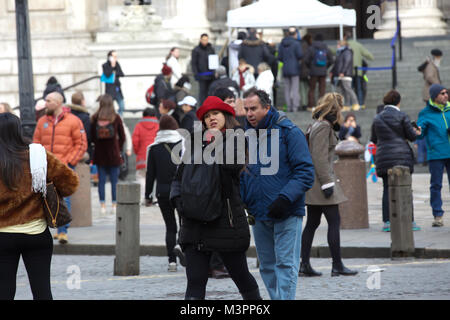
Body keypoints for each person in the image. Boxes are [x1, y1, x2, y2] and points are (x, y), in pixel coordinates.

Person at [170, 96, 261, 300]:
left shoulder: (236, 138)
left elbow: (233, 166)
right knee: (195, 280)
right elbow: (178, 178)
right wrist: (180, 203)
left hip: (225, 222)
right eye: (207, 116)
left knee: (241, 276)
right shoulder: (193, 142)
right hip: (194, 224)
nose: (211, 118)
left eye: (216, 114)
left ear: (226, 116)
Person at [240, 89, 315, 300]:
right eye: (246, 109)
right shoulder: (246, 135)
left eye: (253, 108)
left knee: (285, 264)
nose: (249, 113)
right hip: (258, 212)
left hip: (287, 211)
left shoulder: (289, 132)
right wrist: (244, 199)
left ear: (267, 107)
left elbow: (306, 172)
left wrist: (284, 198)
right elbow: (243, 173)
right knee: (267, 266)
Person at [0, 113, 79, 300]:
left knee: (4, 290)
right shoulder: (37, 155)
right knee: (42, 290)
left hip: (2, 235)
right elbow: (70, 183)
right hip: (36, 233)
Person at [300, 92, 358, 277]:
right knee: (334, 221)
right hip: (321, 182)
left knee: (312, 222)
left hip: (315, 181)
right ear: (337, 108)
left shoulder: (318, 124)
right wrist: (327, 183)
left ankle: (305, 264)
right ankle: (337, 265)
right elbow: (319, 158)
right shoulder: (324, 126)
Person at [33, 92, 87, 244]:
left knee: (64, 199)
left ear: (57, 102)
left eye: (48, 101)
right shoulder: (41, 121)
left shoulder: (74, 121)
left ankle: (63, 231)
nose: (46, 103)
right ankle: (49, 230)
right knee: (43, 199)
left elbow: (81, 143)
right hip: (45, 167)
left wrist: (70, 162)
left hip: (63, 167)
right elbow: (36, 142)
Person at [371, 90, 421, 232]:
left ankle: (387, 221)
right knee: (406, 188)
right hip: (402, 156)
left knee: (387, 188)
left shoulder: (377, 118)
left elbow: (374, 139)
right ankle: (409, 220)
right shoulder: (402, 115)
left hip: (384, 157)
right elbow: (412, 136)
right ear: (398, 101)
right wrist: (417, 132)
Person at [146, 115, 184, 272]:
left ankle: (172, 262)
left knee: (170, 227)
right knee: (184, 223)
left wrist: (147, 195)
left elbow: (150, 175)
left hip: (162, 193)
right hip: (181, 191)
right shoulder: (182, 144)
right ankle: (181, 246)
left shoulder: (154, 148)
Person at [417, 84, 450, 227]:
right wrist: (417, 130)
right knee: (436, 185)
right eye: (442, 93)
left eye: (446, 93)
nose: (445, 95)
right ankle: (438, 215)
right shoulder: (425, 113)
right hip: (436, 153)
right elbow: (420, 133)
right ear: (434, 96)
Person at [90, 94, 126, 215]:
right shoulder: (115, 117)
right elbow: (123, 136)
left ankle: (102, 205)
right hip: (113, 153)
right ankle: (115, 205)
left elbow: (92, 137)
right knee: (114, 181)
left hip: (100, 154)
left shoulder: (95, 118)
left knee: (101, 181)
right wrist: (118, 147)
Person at [132, 107, 159, 201]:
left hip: (142, 156)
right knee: (156, 176)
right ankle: (155, 198)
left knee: (141, 176)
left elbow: (135, 141)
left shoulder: (139, 125)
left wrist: (137, 152)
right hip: (155, 156)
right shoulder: (158, 125)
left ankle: (144, 197)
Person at [344, 31, 374, 109]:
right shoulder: (358, 45)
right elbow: (369, 55)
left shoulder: (345, 45)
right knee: (359, 88)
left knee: (350, 89)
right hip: (358, 71)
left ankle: (351, 104)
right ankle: (360, 104)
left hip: (348, 71)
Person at [304, 34, 333, 110]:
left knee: (311, 89)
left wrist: (310, 67)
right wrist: (326, 67)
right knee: (322, 89)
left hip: (313, 72)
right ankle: (321, 106)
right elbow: (332, 60)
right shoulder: (326, 48)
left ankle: (311, 106)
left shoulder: (311, 48)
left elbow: (306, 60)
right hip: (323, 72)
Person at [278, 27, 303, 112]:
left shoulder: (282, 43)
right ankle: (295, 107)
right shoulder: (296, 43)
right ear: (295, 34)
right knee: (295, 89)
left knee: (287, 89)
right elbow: (300, 55)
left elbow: (279, 57)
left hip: (285, 68)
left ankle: (289, 107)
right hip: (295, 68)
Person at [334, 40, 359, 111]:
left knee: (348, 89)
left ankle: (355, 103)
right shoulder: (341, 52)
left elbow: (346, 62)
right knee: (344, 90)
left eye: (338, 45)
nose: (337, 46)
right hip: (342, 74)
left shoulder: (347, 52)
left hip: (346, 74)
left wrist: (342, 72)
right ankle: (347, 105)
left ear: (341, 45)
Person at [191, 33, 216, 104]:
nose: (205, 41)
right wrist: (196, 74)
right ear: (200, 40)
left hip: (211, 75)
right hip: (201, 75)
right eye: (203, 40)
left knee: (211, 92)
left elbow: (214, 60)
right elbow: (194, 63)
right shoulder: (196, 50)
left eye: (206, 40)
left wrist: (214, 72)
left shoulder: (211, 49)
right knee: (202, 93)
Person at [68, 91, 92, 162]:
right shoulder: (85, 117)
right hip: (82, 150)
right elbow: (87, 135)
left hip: (69, 149)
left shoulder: (67, 114)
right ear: (82, 101)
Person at [102, 50, 125, 116]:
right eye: (114, 56)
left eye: (116, 56)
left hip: (117, 88)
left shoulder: (117, 64)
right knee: (109, 107)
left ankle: (119, 118)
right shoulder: (105, 65)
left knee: (122, 106)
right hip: (110, 89)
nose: (115, 58)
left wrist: (114, 70)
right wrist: (112, 67)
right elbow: (107, 74)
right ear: (110, 57)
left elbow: (121, 74)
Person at [300, 34, 312, 111]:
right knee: (309, 88)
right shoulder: (310, 47)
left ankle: (304, 104)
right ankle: (308, 103)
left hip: (300, 70)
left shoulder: (299, 46)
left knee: (302, 88)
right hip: (308, 71)